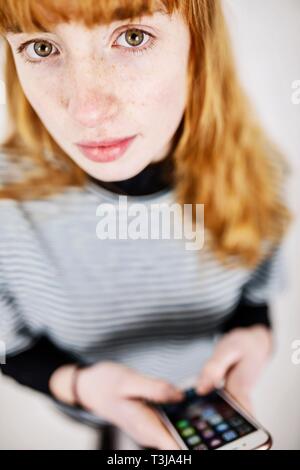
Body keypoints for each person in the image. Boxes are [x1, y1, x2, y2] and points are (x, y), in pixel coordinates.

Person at [0, 0, 292, 450]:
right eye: (41, 47)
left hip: (204, 399)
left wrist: (255, 336)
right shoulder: (6, 206)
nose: (87, 110)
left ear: (197, 47)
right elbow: (10, 348)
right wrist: (78, 385)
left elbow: (252, 300)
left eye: (132, 37)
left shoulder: (261, 172)